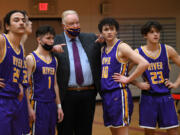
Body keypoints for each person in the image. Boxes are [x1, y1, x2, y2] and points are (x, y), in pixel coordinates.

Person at [119, 21, 180, 135]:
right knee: (149, 132)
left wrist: (176, 84)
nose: (156, 34)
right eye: (152, 32)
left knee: (173, 130)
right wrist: (138, 84)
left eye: (157, 32)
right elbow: (124, 74)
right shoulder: (138, 52)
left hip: (165, 96)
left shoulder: (168, 50)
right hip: (148, 98)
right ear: (145, 35)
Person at [97, 17, 149, 135]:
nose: (109, 32)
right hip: (106, 95)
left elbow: (144, 63)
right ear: (101, 33)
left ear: (116, 31)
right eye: (106, 29)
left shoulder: (122, 47)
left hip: (119, 94)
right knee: (114, 131)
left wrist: (129, 79)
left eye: (112, 29)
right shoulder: (103, 49)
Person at [54, 10, 102, 135]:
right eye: (71, 23)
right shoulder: (55, 41)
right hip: (66, 95)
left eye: (77, 22)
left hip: (88, 93)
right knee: (65, 130)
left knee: (85, 130)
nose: (75, 26)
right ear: (64, 26)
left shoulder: (91, 38)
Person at [26, 25, 64, 135]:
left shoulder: (54, 60)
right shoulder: (30, 58)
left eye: (53, 38)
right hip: (37, 103)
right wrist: (28, 108)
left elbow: (55, 84)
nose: (52, 41)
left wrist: (59, 106)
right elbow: (25, 86)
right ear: (39, 39)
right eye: (48, 38)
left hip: (51, 104)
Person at [0, 10, 27, 135]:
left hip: (15, 101)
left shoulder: (21, 48)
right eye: (16, 20)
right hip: (2, 100)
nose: (21, 23)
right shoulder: (2, 40)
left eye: (23, 20)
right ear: (7, 26)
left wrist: (20, 86)